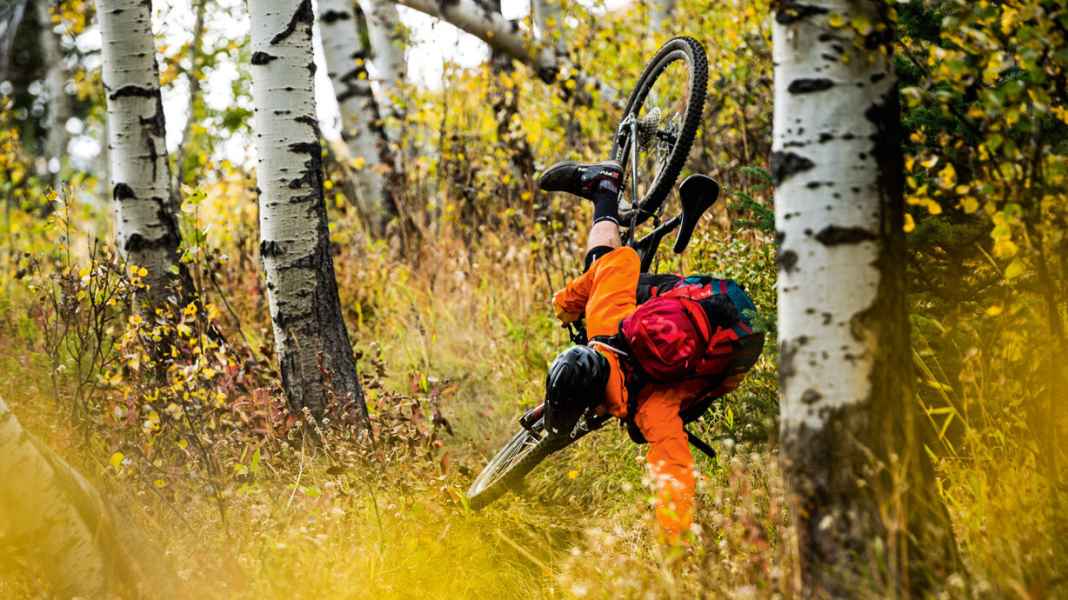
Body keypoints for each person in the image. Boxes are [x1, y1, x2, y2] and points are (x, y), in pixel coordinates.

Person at [537, 159, 759, 542]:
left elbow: (676, 464)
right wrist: (568, 303)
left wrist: (674, 544)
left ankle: (604, 185)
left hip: (742, 344)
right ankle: (607, 194)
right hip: (723, 309)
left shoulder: (653, 408)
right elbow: (618, 263)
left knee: (686, 401)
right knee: (607, 265)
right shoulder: (605, 323)